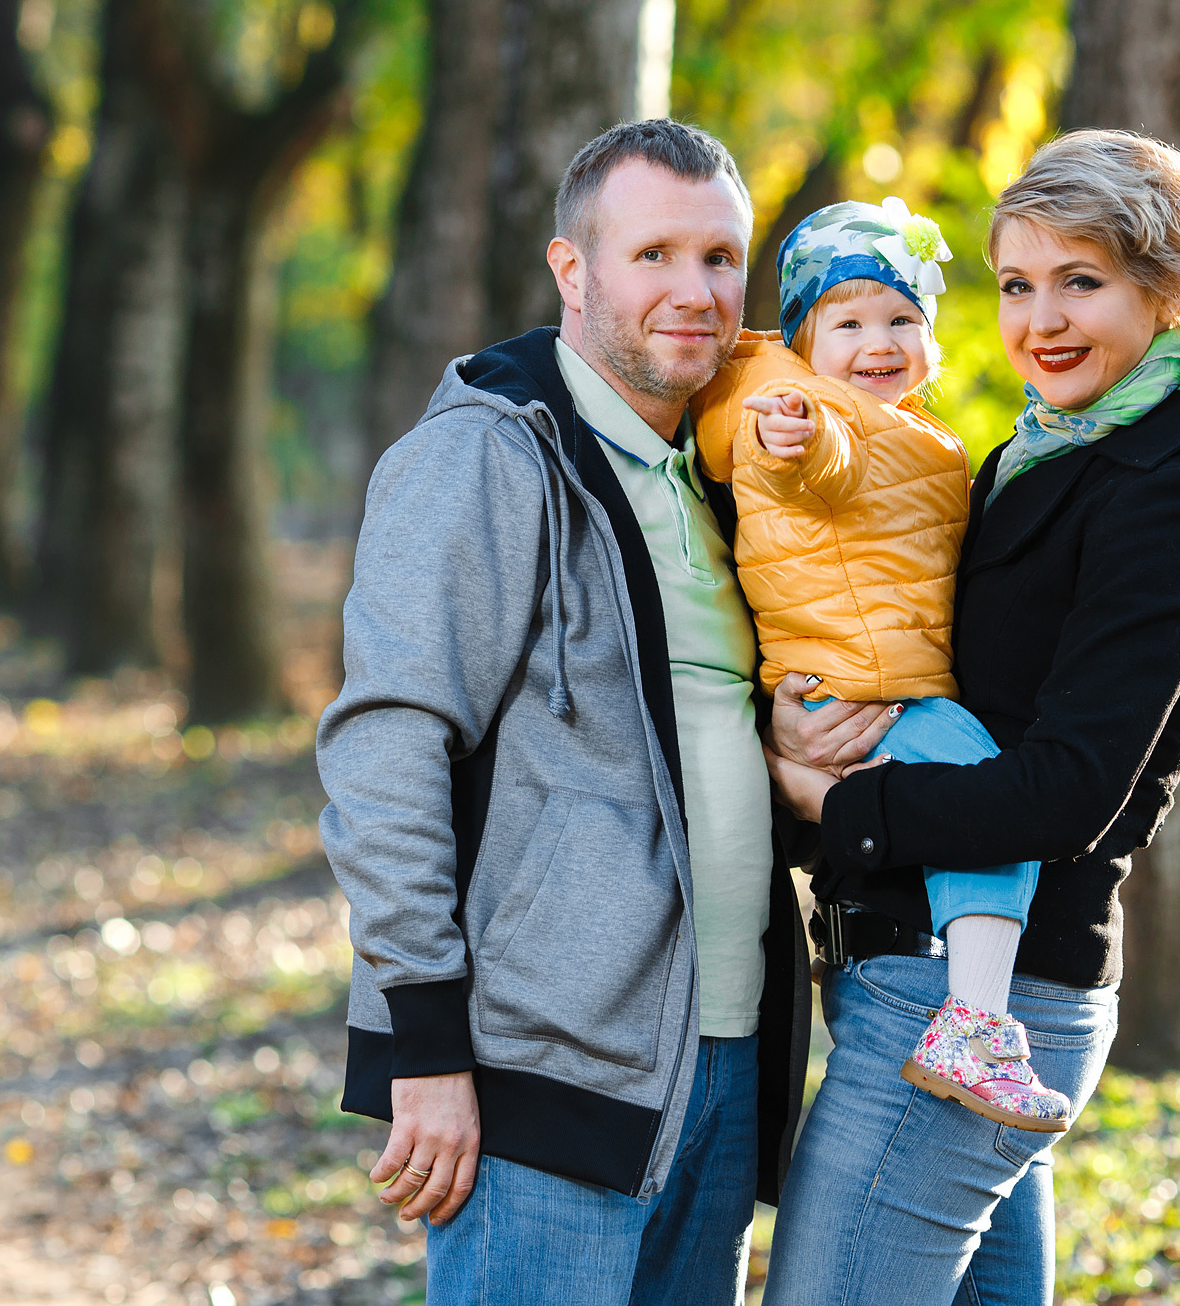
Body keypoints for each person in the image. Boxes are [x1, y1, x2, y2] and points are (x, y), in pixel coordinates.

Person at [762, 129, 1180, 1305]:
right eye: (1014, 284)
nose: (1038, 319)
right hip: (916, 972)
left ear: (1170, 290)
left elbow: (1062, 789)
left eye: (1080, 281)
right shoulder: (1030, 457)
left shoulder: (1175, 497)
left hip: (978, 1000)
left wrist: (825, 801)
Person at [317, 119, 813, 1305]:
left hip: (721, 1057)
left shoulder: (719, 477)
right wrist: (424, 1044)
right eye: (652, 256)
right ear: (571, 271)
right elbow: (385, 744)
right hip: (536, 1068)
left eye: (718, 258)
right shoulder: (485, 457)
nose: (693, 293)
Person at [691, 196, 1071, 1131]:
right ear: (804, 342)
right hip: (861, 687)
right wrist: (796, 433)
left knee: (969, 798)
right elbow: (820, 461)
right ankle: (975, 1024)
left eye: (903, 317)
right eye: (848, 321)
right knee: (987, 802)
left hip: (873, 680)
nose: (880, 340)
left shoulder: (928, 437)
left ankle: (959, 1007)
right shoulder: (815, 412)